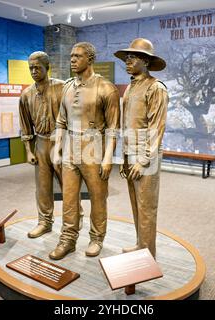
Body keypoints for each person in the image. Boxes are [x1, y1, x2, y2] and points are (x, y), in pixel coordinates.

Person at [49, 42, 120, 260]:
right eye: (71, 56)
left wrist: (108, 158)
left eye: (77, 56)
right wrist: (57, 150)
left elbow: (113, 128)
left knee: (98, 197)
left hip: (94, 146)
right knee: (69, 198)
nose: (72, 60)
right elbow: (61, 120)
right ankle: (68, 239)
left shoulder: (106, 88)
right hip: (70, 146)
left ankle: (97, 238)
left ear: (89, 59)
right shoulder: (68, 87)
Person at [114, 38, 168, 259]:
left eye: (132, 57)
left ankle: (147, 255)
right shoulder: (130, 87)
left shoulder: (156, 88)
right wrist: (124, 158)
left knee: (146, 207)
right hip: (130, 154)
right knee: (136, 204)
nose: (127, 61)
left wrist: (142, 159)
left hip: (146, 155)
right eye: (126, 58)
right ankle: (140, 244)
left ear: (145, 61)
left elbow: (157, 127)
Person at [19, 51, 83, 239]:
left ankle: (76, 219)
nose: (33, 71)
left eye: (37, 67)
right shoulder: (26, 95)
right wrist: (28, 151)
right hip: (40, 143)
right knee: (43, 187)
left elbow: (74, 116)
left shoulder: (63, 88)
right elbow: (25, 126)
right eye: (30, 68)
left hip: (61, 142)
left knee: (69, 186)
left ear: (47, 67)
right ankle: (44, 222)